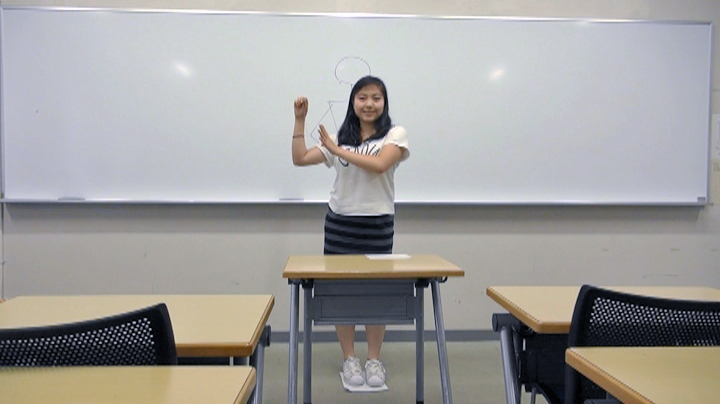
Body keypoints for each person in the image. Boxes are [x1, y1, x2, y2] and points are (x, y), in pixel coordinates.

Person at [291, 75, 410, 388]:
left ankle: (374, 359)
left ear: (384, 103)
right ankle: (349, 358)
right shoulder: (339, 138)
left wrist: (336, 150)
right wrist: (300, 121)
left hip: (377, 224)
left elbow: (380, 165)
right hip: (340, 223)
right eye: (362, 97)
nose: (369, 104)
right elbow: (300, 158)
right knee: (341, 292)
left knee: (376, 293)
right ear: (353, 102)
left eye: (376, 98)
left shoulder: (395, 135)